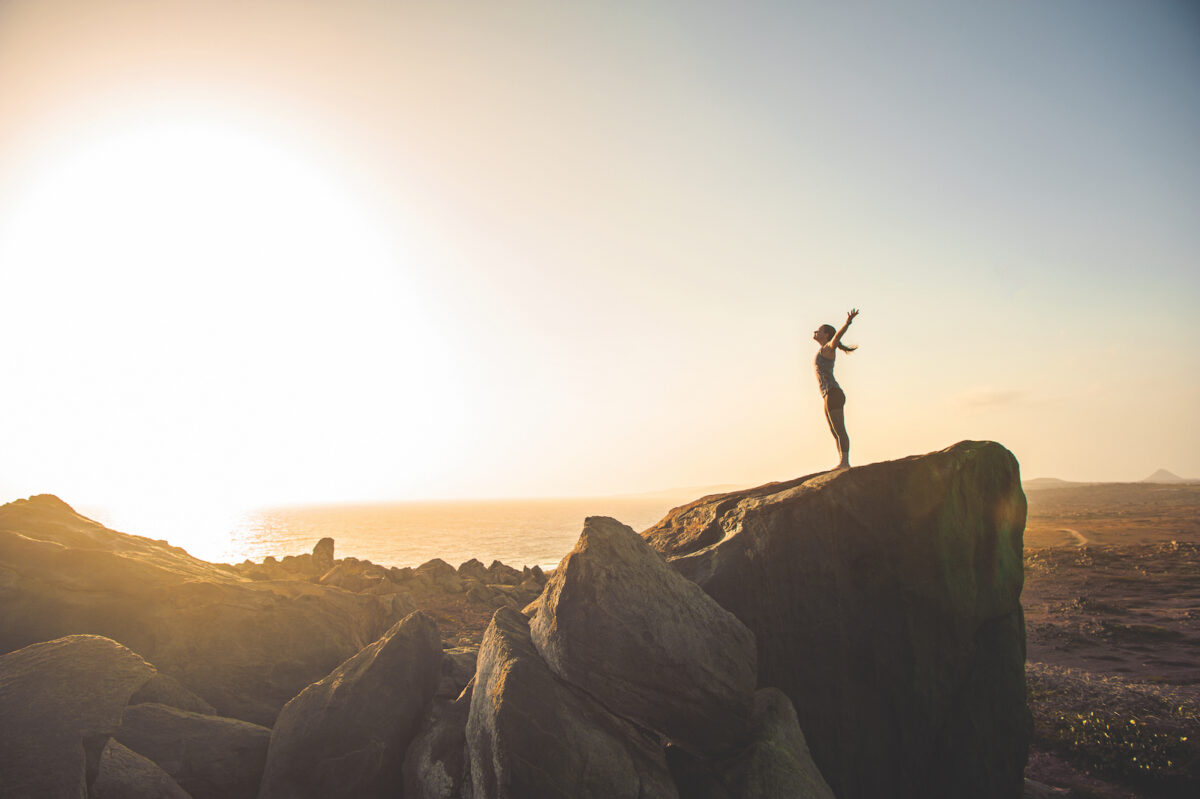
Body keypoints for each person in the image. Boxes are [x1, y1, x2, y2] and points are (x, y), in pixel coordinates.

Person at [813, 308, 859, 469]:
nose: (815, 332)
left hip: (834, 393)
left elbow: (837, 337)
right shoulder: (822, 350)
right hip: (827, 395)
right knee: (833, 431)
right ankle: (841, 461)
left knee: (840, 429)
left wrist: (847, 323)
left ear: (826, 335)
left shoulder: (828, 349)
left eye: (818, 330)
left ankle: (845, 462)